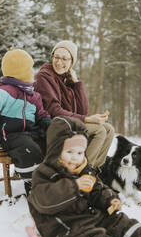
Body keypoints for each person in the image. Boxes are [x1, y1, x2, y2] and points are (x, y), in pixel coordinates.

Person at [28, 116, 141, 237]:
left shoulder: (84, 169)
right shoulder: (44, 173)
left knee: (117, 221)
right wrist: (75, 186)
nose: (75, 158)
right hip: (64, 223)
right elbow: (44, 200)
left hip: (89, 213)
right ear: (55, 150)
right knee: (85, 236)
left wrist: (110, 199)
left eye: (80, 153)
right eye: (70, 152)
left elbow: (98, 188)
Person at [0, 47, 51, 195]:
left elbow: (42, 115)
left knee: (48, 145)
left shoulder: (34, 96)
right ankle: (33, 184)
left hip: (31, 134)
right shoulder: (4, 92)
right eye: (30, 69)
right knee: (29, 148)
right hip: (10, 137)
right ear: (20, 72)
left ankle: (53, 180)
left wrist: (49, 126)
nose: (33, 72)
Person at [34, 40, 114, 170]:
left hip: (66, 123)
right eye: (57, 57)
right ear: (52, 57)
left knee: (109, 129)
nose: (59, 62)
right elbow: (54, 110)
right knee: (100, 131)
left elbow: (83, 111)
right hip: (51, 126)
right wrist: (88, 120)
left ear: (72, 62)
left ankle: (94, 170)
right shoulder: (44, 77)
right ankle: (81, 170)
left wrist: (76, 83)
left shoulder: (65, 79)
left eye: (65, 59)